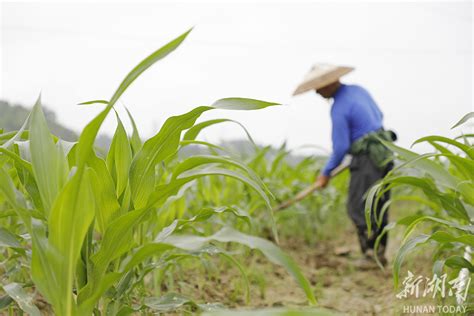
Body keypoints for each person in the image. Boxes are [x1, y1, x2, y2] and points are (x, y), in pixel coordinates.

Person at [293, 64, 396, 267]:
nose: (316, 92)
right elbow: (379, 116)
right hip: (384, 153)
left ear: (331, 82)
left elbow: (340, 148)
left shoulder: (339, 107)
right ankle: (379, 254)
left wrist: (325, 173)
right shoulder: (359, 90)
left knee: (359, 207)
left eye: (319, 87)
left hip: (367, 159)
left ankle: (370, 256)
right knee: (378, 204)